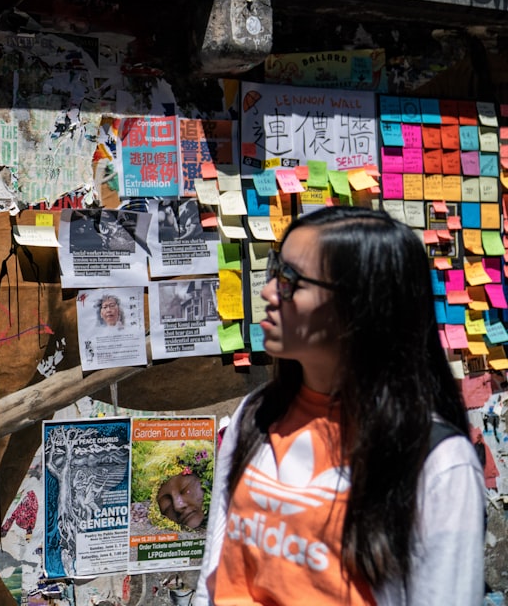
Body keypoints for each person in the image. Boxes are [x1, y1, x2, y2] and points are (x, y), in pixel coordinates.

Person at [194, 207, 484, 605]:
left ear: (360, 307)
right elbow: (214, 575)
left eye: (290, 280)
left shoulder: (433, 460)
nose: (267, 293)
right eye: (274, 273)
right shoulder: (256, 413)